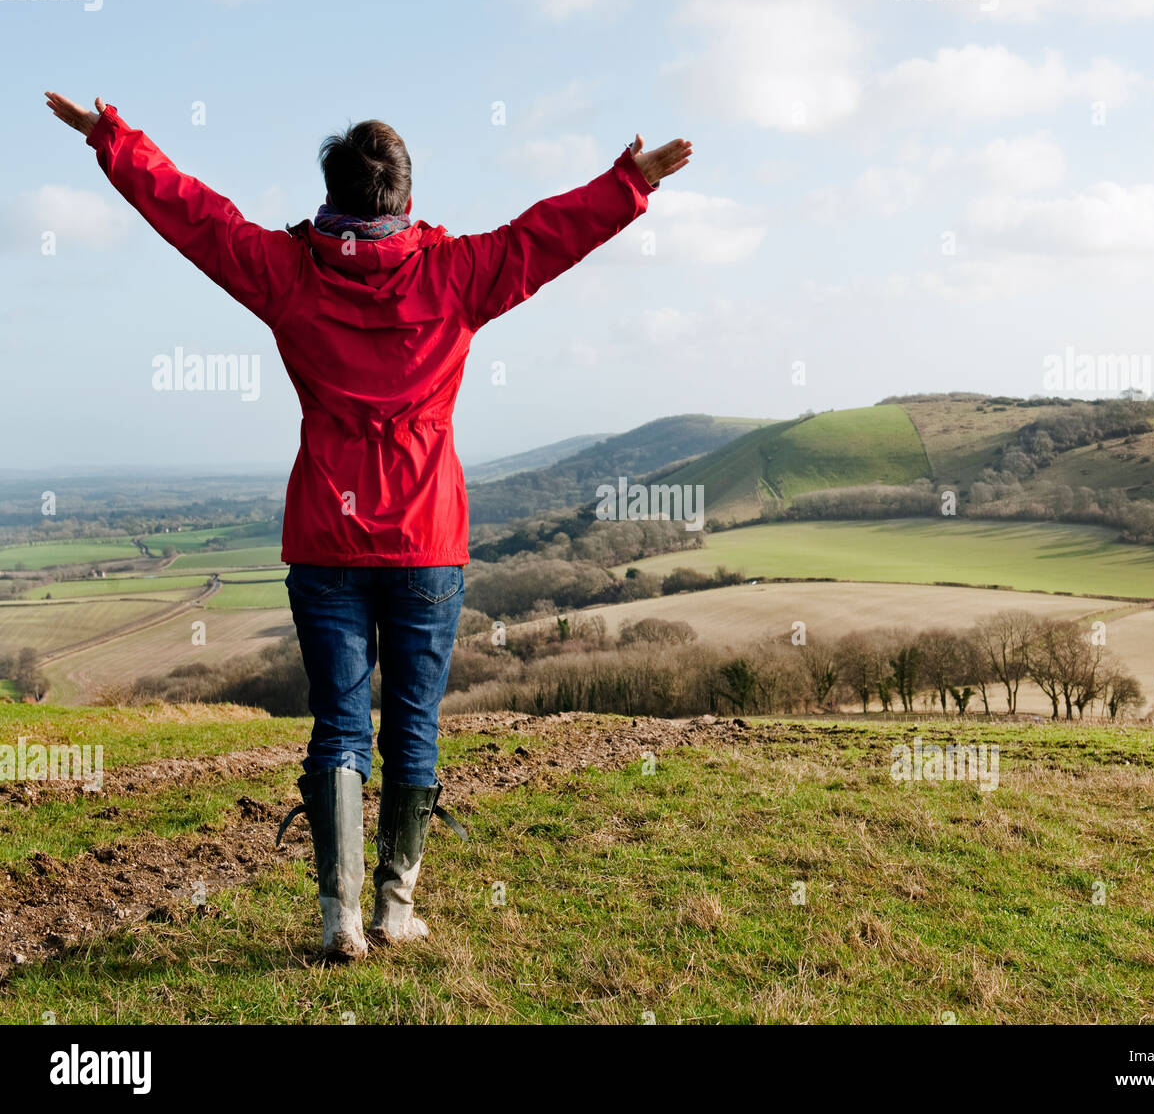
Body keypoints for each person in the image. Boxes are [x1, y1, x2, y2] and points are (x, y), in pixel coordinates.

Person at [46, 90, 692, 962]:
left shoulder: (286, 271)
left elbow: (197, 219)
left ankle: (338, 917)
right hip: (426, 538)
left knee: (340, 727)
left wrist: (118, 144)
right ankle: (394, 907)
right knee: (412, 724)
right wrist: (627, 183)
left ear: (333, 195)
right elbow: (546, 237)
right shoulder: (455, 272)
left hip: (325, 537)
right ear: (405, 196)